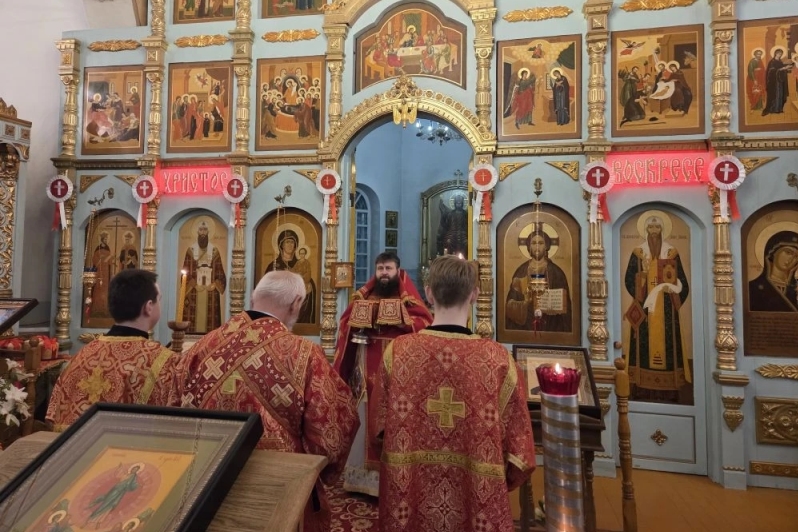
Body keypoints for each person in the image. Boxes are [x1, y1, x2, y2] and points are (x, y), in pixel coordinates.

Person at [173, 271, 359, 532]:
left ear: (253, 297)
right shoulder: (305, 353)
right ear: (296, 303)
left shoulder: (201, 345)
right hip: (279, 484)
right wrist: (323, 469)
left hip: (205, 479)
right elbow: (331, 428)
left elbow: (174, 407)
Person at [371, 256, 536, 531]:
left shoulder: (398, 353)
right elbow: (521, 452)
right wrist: (493, 479)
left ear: (429, 293)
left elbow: (378, 431)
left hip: (408, 499)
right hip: (477, 501)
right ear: (475, 294)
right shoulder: (498, 360)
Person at [332, 251, 433, 496]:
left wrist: (400, 321)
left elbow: (425, 323)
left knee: (394, 416)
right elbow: (345, 323)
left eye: (388, 268)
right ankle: (362, 480)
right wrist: (358, 322)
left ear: (398, 271)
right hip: (366, 367)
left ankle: (394, 479)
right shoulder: (364, 296)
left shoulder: (408, 298)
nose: (384, 273)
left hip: (397, 371)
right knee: (365, 416)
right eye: (380, 269)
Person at [46, 269, 179, 432]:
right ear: (148, 307)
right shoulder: (163, 360)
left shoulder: (83, 355)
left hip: (75, 445)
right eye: (159, 300)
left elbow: (55, 416)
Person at [623, 214, 690, 402]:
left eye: (657, 228)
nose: (654, 232)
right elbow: (628, 279)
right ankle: (641, 389)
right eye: (651, 228)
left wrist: (672, 288)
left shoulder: (671, 253)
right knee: (642, 347)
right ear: (646, 230)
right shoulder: (638, 253)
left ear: (662, 230)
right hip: (645, 308)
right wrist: (642, 279)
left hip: (666, 310)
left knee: (669, 348)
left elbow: (682, 282)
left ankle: (669, 391)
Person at [506, 225, 572, 332]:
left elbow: (566, 308)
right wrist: (525, 303)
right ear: (529, 247)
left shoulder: (556, 272)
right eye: (533, 243)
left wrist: (549, 300)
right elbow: (510, 305)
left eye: (541, 243)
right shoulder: (521, 271)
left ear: (546, 246)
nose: (537, 246)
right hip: (525, 326)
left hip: (550, 325)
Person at [181, 220, 226, 334]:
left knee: (211, 326)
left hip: (211, 294)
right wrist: (194, 285)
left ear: (208, 232)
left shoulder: (215, 251)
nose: (203, 232)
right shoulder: (190, 251)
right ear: (197, 231)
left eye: (205, 230)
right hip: (194, 294)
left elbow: (220, 274)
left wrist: (215, 284)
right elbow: (185, 273)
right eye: (201, 230)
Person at [265, 229, 317, 324]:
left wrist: (308, 285)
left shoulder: (301, 264)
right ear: (281, 245)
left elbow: (309, 281)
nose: (290, 245)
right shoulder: (274, 266)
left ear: (296, 245)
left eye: (292, 242)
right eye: (287, 242)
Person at [748, 230, 798, 312]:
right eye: (788, 252)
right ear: (774, 251)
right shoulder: (753, 288)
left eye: (796, 256)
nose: (791, 259)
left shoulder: (794, 289)